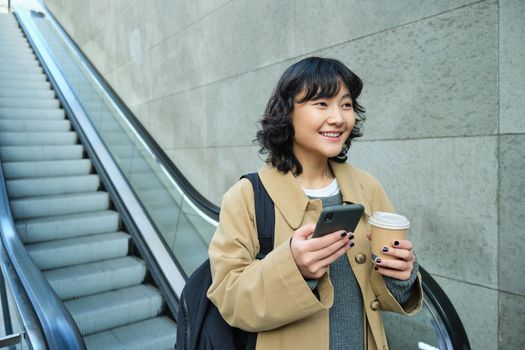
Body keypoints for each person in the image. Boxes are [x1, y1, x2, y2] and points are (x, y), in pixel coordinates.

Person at [207, 57, 422, 350]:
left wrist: (403, 275)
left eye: (346, 105)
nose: (338, 118)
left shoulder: (367, 187)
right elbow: (228, 298)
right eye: (321, 104)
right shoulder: (247, 195)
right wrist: (294, 268)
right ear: (286, 113)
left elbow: (381, 291)